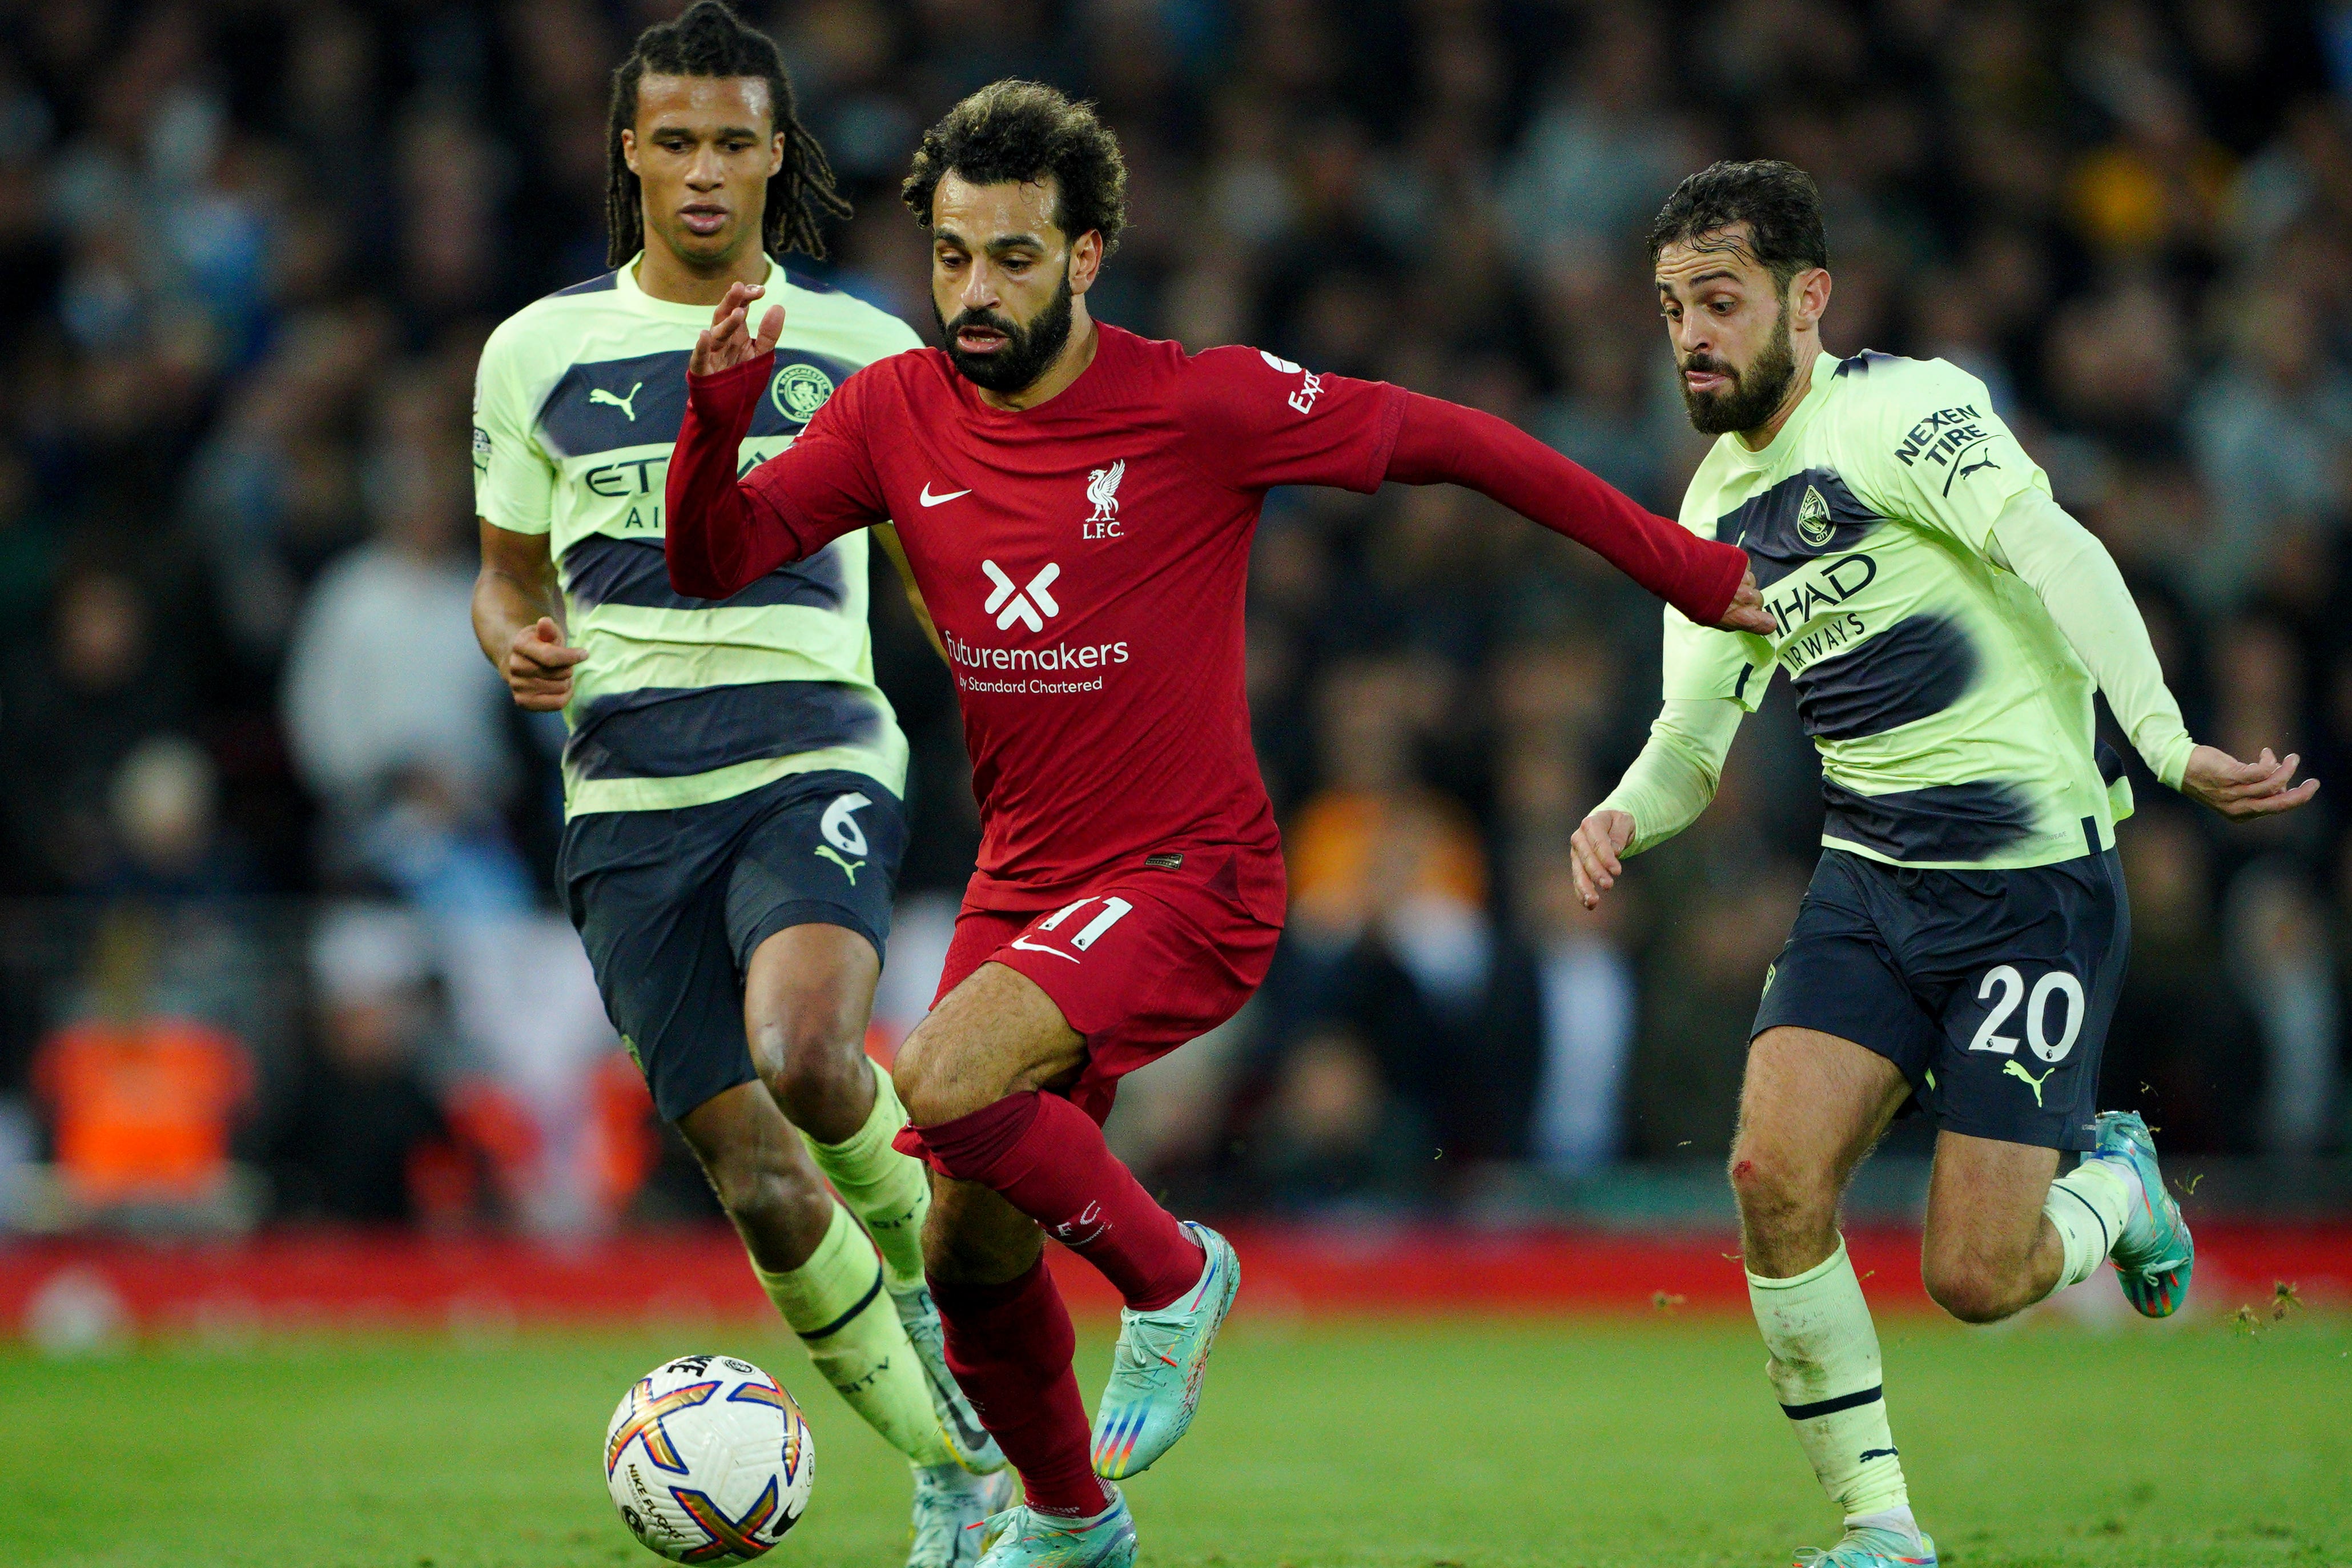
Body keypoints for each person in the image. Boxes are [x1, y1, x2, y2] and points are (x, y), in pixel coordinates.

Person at [664, 81, 1770, 1568]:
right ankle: (1073, 1521)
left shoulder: (1199, 403)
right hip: (1024, 880)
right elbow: (718, 554)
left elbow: (1463, 444)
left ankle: (1175, 1277)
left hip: (1193, 874)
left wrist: (1687, 569)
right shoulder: (890, 413)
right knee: (966, 1246)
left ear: (1089, 255)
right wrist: (718, 414)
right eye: (949, 257)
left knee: (935, 1076)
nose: (973, 293)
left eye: (1011, 257)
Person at [1569, 160, 2318, 1568]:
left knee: (1975, 1275)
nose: (1688, 335)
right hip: (1868, 877)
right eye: (1670, 306)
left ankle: (2119, 1190)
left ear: (1808, 300)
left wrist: (2160, 742)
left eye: (1717, 301)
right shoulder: (1710, 505)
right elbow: (1689, 736)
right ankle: (1880, 1523)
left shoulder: (1902, 411)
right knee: (1766, 1174)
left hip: (2029, 880)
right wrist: (1622, 810)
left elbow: (2056, 547)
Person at [465, 7, 1006, 1563]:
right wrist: (516, 638)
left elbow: (944, 576)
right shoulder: (534, 352)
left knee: (813, 1050)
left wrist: (1034, 708)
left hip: (812, 755)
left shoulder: (869, 348)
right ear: (632, 151)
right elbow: (502, 581)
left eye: (735, 143)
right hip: (627, 804)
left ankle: (939, 1297)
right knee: (762, 1180)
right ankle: (951, 1464)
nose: (705, 172)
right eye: (677, 141)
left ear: (780, 156)